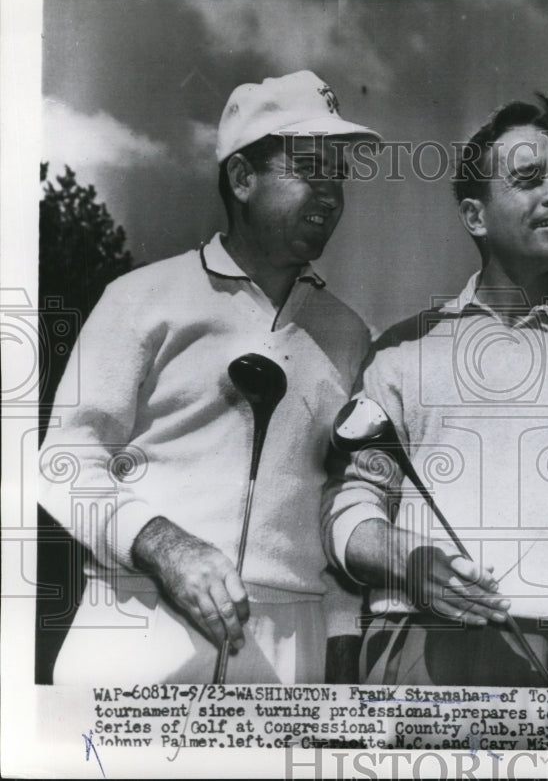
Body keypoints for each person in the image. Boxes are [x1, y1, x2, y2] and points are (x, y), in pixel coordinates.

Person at [323, 94, 548, 687]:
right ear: (475, 215)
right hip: (418, 649)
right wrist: (408, 564)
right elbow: (348, 503)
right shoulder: (401, 349)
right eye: (527, 180)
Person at [38, 70, 379, 684]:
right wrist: (164, 545)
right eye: (308, 169)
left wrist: (342, 640)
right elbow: (64, 462)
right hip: (137, 619)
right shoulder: (139, 298)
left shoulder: (349, 334)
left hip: (289, 644)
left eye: (340, 174)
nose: (331, 194)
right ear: (243, 179)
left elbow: (340, 497)